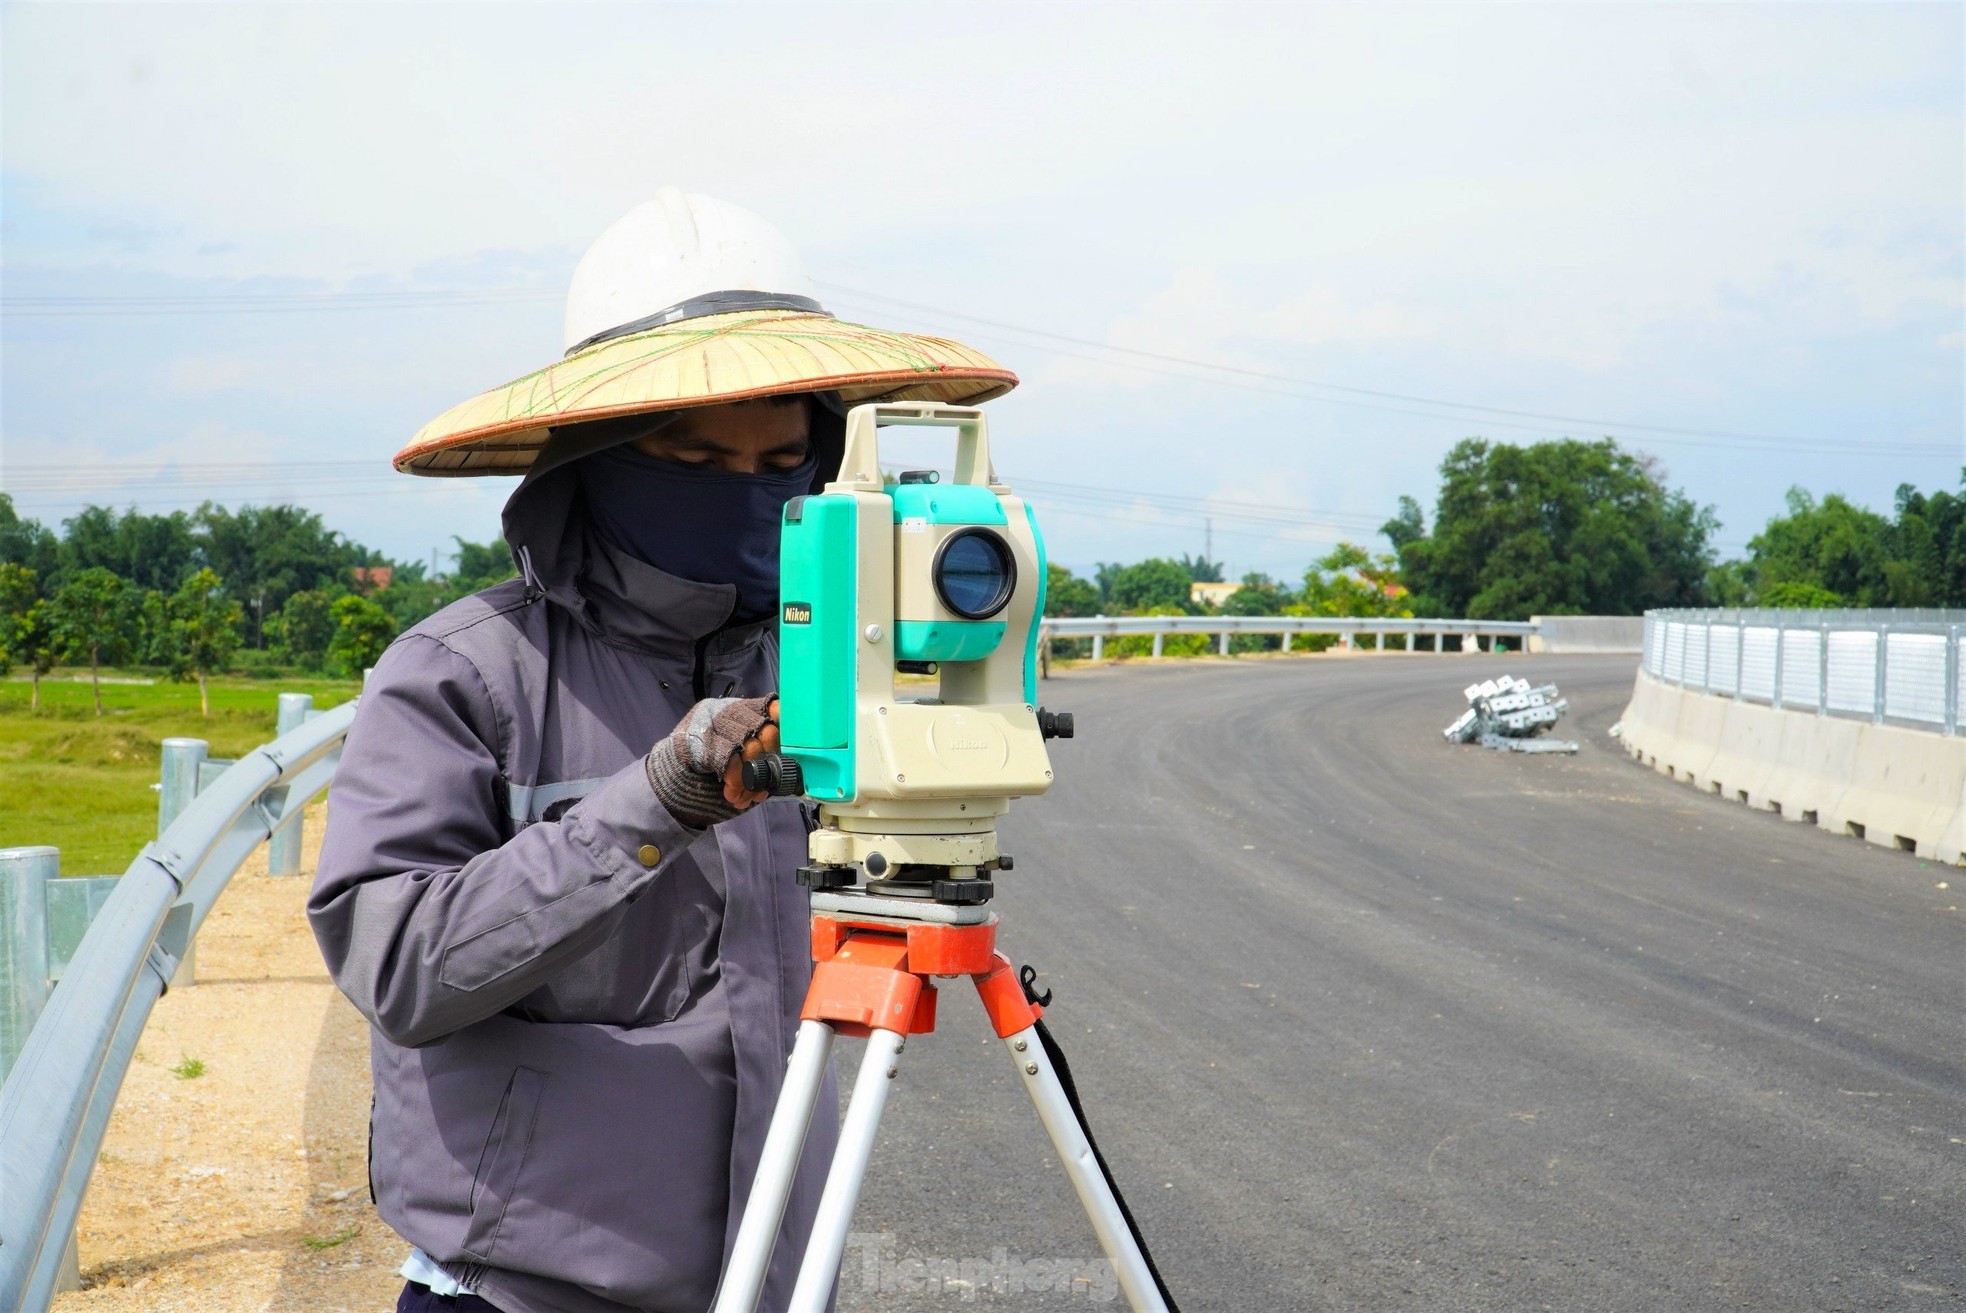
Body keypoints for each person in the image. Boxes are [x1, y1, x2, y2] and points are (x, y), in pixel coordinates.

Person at [308, 189, 1016, 1313]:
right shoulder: (463, 673)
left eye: (781, 459)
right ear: (592, 464)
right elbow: (397, 967)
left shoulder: (823, 673)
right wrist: (655, 800)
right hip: (520, 1286)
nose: (742, 492)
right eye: (690, 460)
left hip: (774, 1262)